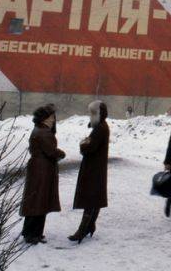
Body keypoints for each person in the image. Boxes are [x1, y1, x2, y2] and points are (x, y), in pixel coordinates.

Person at [20, 105, 66, 245]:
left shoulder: (37, 129)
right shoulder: (44, 132)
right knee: (40, 201)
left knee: (35, 200)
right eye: (51, 117)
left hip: (37, 168)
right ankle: (34, 234)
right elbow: (51, 152)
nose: (53, 120)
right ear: (45, 118)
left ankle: (29, 232)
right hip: (43, 170)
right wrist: (61, 153)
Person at [68, 101, 110, 243]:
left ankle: (83, 229)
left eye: (93, 113)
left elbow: (89, 146)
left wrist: (83, 144)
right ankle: (90, 226)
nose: (90, 116)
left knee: (91, 198)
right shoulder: (101, 127)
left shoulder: (100, 128)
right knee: (95, 198)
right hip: (96, 167)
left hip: (93, 167)